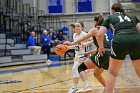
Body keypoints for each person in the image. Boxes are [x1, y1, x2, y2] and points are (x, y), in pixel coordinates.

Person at [96, 3, 140, 93]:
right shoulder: (132, 17)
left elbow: (99, 34)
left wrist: (101, 47)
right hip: (136, 39)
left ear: (113, 10)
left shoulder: (110, 18)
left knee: (112, 72)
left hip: (120, 39)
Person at [68, 15, 111, 92]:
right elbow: (102, 47)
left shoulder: (94, 29)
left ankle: (86, 85)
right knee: (96, 74)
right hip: (109, 54)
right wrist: (89, 52)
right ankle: (109, 90)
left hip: (101, 54)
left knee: (80, 68)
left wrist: (72, 43)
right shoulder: (104, 31)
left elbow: (84, 38)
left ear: (94, 22)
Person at [64, 22, 92, 93]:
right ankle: (85, 85)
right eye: (75, 26)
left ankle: (75, 87)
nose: (76, 27)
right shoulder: (74, 35)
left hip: (85, 55)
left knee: (76, 68)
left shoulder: (85, 34)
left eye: (78, 26)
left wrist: (87, 43)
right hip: (77, 55)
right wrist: (68, 47)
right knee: (77, 70)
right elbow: (77, 47)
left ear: (82, 27)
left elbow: (94, 40)